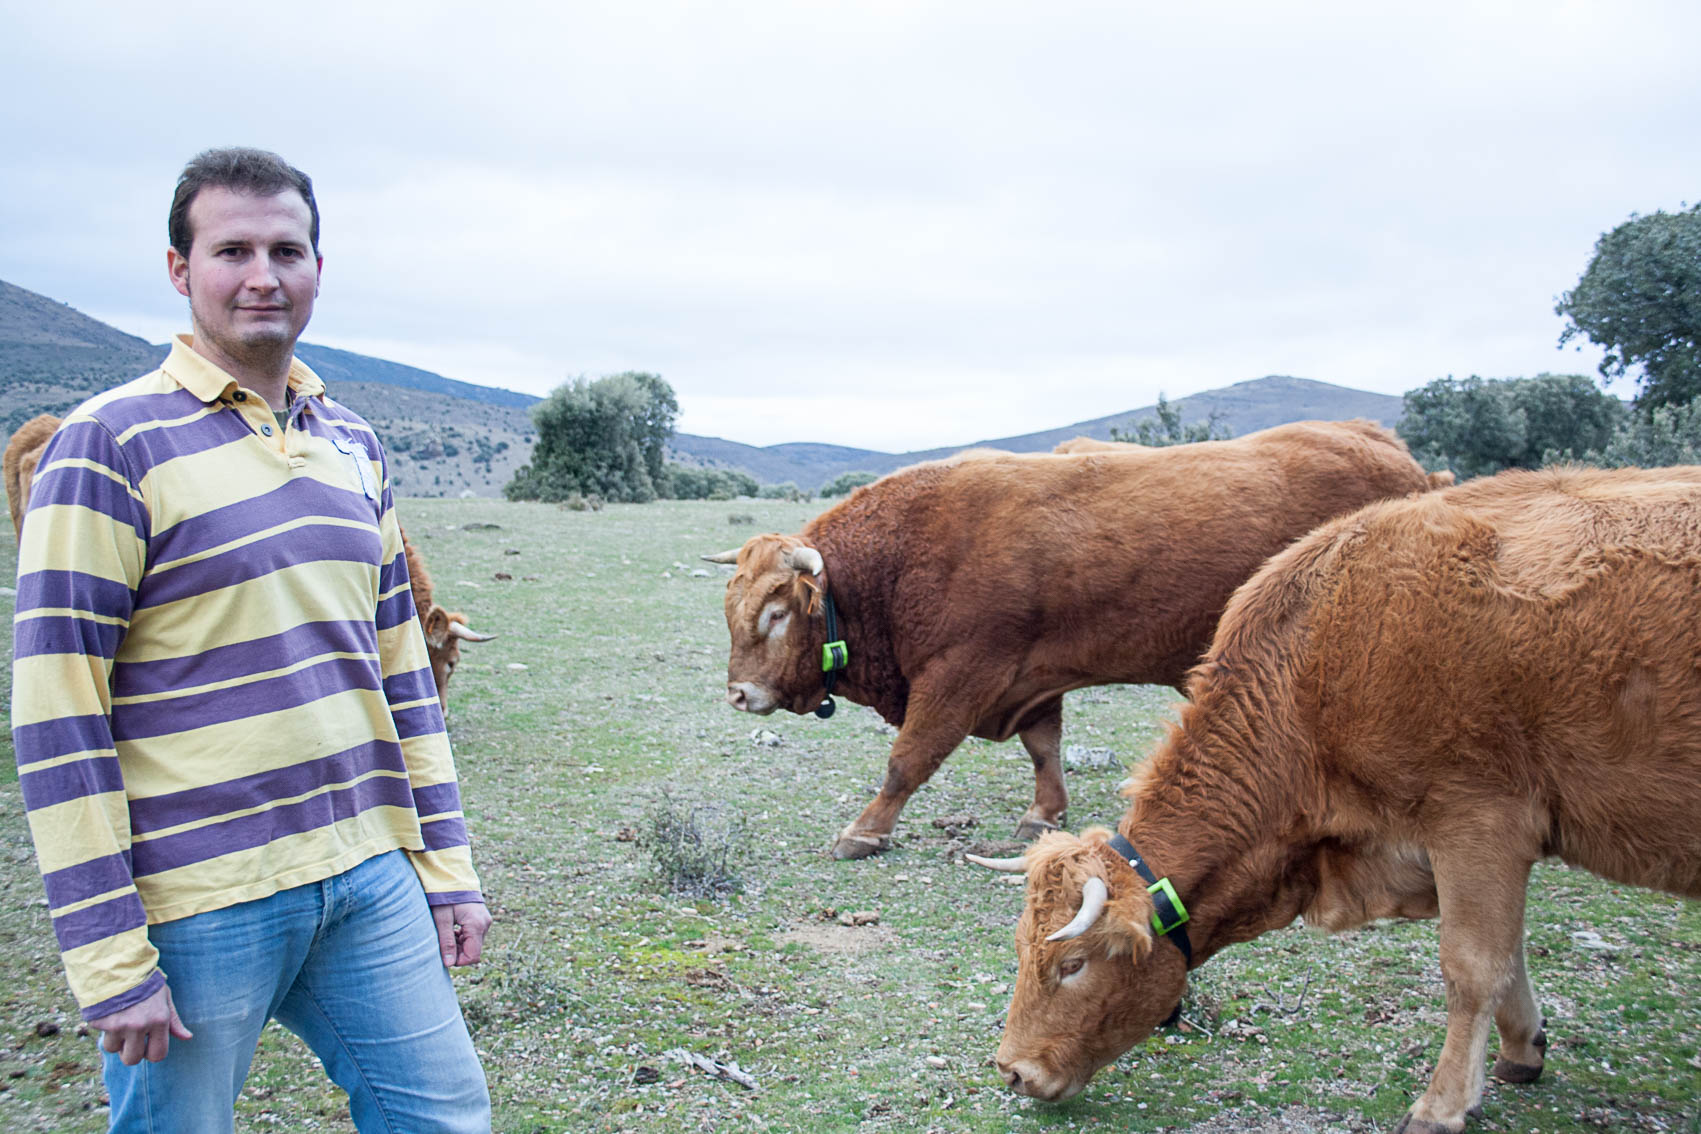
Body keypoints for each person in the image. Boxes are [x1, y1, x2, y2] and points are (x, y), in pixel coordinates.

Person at [10, 147, 493, 1132]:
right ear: (181, 270)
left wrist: (444, 863)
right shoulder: (108, 445)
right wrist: (108, 957)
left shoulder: (352, 444)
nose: (264, 273)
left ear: (320, 266)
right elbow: (59, 714)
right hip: (197, 904)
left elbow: (401, 669)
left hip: (365, 876)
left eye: (288, 248)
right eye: (233, 249)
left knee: (445, 1118)